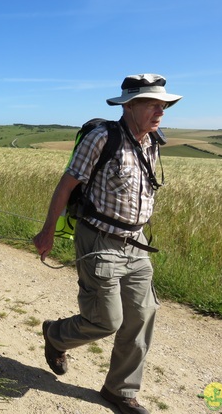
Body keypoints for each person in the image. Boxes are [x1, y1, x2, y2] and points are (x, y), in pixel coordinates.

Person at [32, 74, 182, 414]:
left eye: (164, 104)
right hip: (99, 239)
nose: (160, 111)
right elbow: (66, 185)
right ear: (129, 106)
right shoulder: (102, 138)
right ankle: (56, 336)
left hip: (137, 243)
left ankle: (119, 390)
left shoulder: (152, 140)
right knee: (106, 319)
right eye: (152, 104)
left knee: (142, 315)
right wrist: (47, 231)